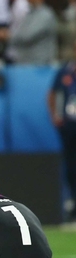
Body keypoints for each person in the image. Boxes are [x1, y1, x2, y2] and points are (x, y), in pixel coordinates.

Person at [48, 41, 76, 221]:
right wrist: (54, 116)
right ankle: (73, 202)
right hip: (69, 126)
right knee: (71, 165)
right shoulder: (65, 71)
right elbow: (51, 93)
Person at [9, 0, 57, 64]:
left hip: (39, 66)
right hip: (24, 64)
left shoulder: (46, 15)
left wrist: (7, 35)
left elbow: (26, 36)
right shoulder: (28, 14)